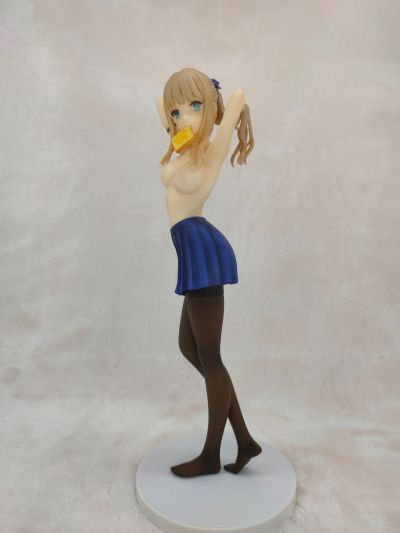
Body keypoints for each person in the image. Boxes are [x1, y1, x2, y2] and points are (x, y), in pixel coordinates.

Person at [156, 67, 262, 477]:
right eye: (176, 111)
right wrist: (176, 112)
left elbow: (237, 97)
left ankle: (211, 455)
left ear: (210, 109)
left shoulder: (211, 153)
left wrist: (218, 103)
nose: (183, 117)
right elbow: (162, 107)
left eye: (194, 106)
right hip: (191, 250)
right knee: (190, 347)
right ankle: (245, 438)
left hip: (202, 251)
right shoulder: (183, 149)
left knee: (210, 356)